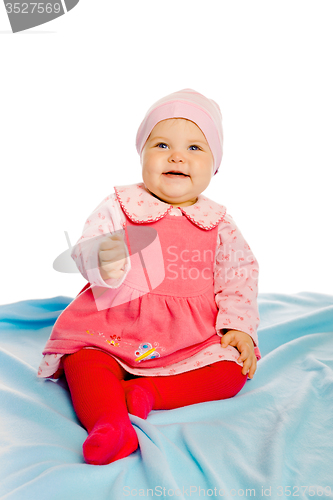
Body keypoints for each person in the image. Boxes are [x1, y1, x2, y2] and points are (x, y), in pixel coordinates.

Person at [38, 89, 261, 466]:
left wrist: (239, 327)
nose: (177, 156)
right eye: (161, 144)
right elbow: (87, 247)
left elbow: (239, 274)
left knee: (232, 371)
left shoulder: (218, 222)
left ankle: (150, 392)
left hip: (187, 336)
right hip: (114, 325)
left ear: (215, 166)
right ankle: (108, 426)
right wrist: (103, 258)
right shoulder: (121, 204)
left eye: (195, 148)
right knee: (85, 361)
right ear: (141, 155)